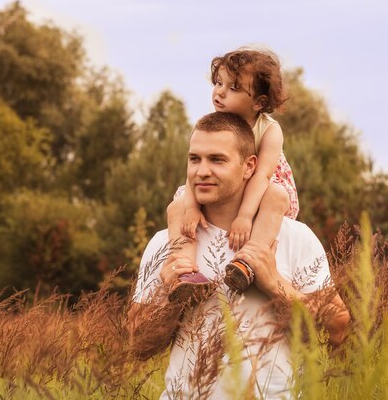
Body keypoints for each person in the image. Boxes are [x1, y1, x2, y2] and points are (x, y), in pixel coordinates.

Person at [127, 112, 349, 400]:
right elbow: (136, 345)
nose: (202, 171)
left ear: (249, 166)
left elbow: (338, 330)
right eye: (195, 159)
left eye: (217, 160)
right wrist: (168, 298)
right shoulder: (167, 242)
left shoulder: (295, 237)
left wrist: (274, 283)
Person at [167, 47, 299, 301]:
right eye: (218, 83)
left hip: (260, 187)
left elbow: (261, 176)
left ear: (259, 102)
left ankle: (248, 262)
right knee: (177, 207)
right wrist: (191, 208)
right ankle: (182, 270)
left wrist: (245, 217)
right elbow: (195, 171)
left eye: (233, 88)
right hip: (223, 187)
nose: (220, 92)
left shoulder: (270, 130)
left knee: (276, 195)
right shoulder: (211, 124)